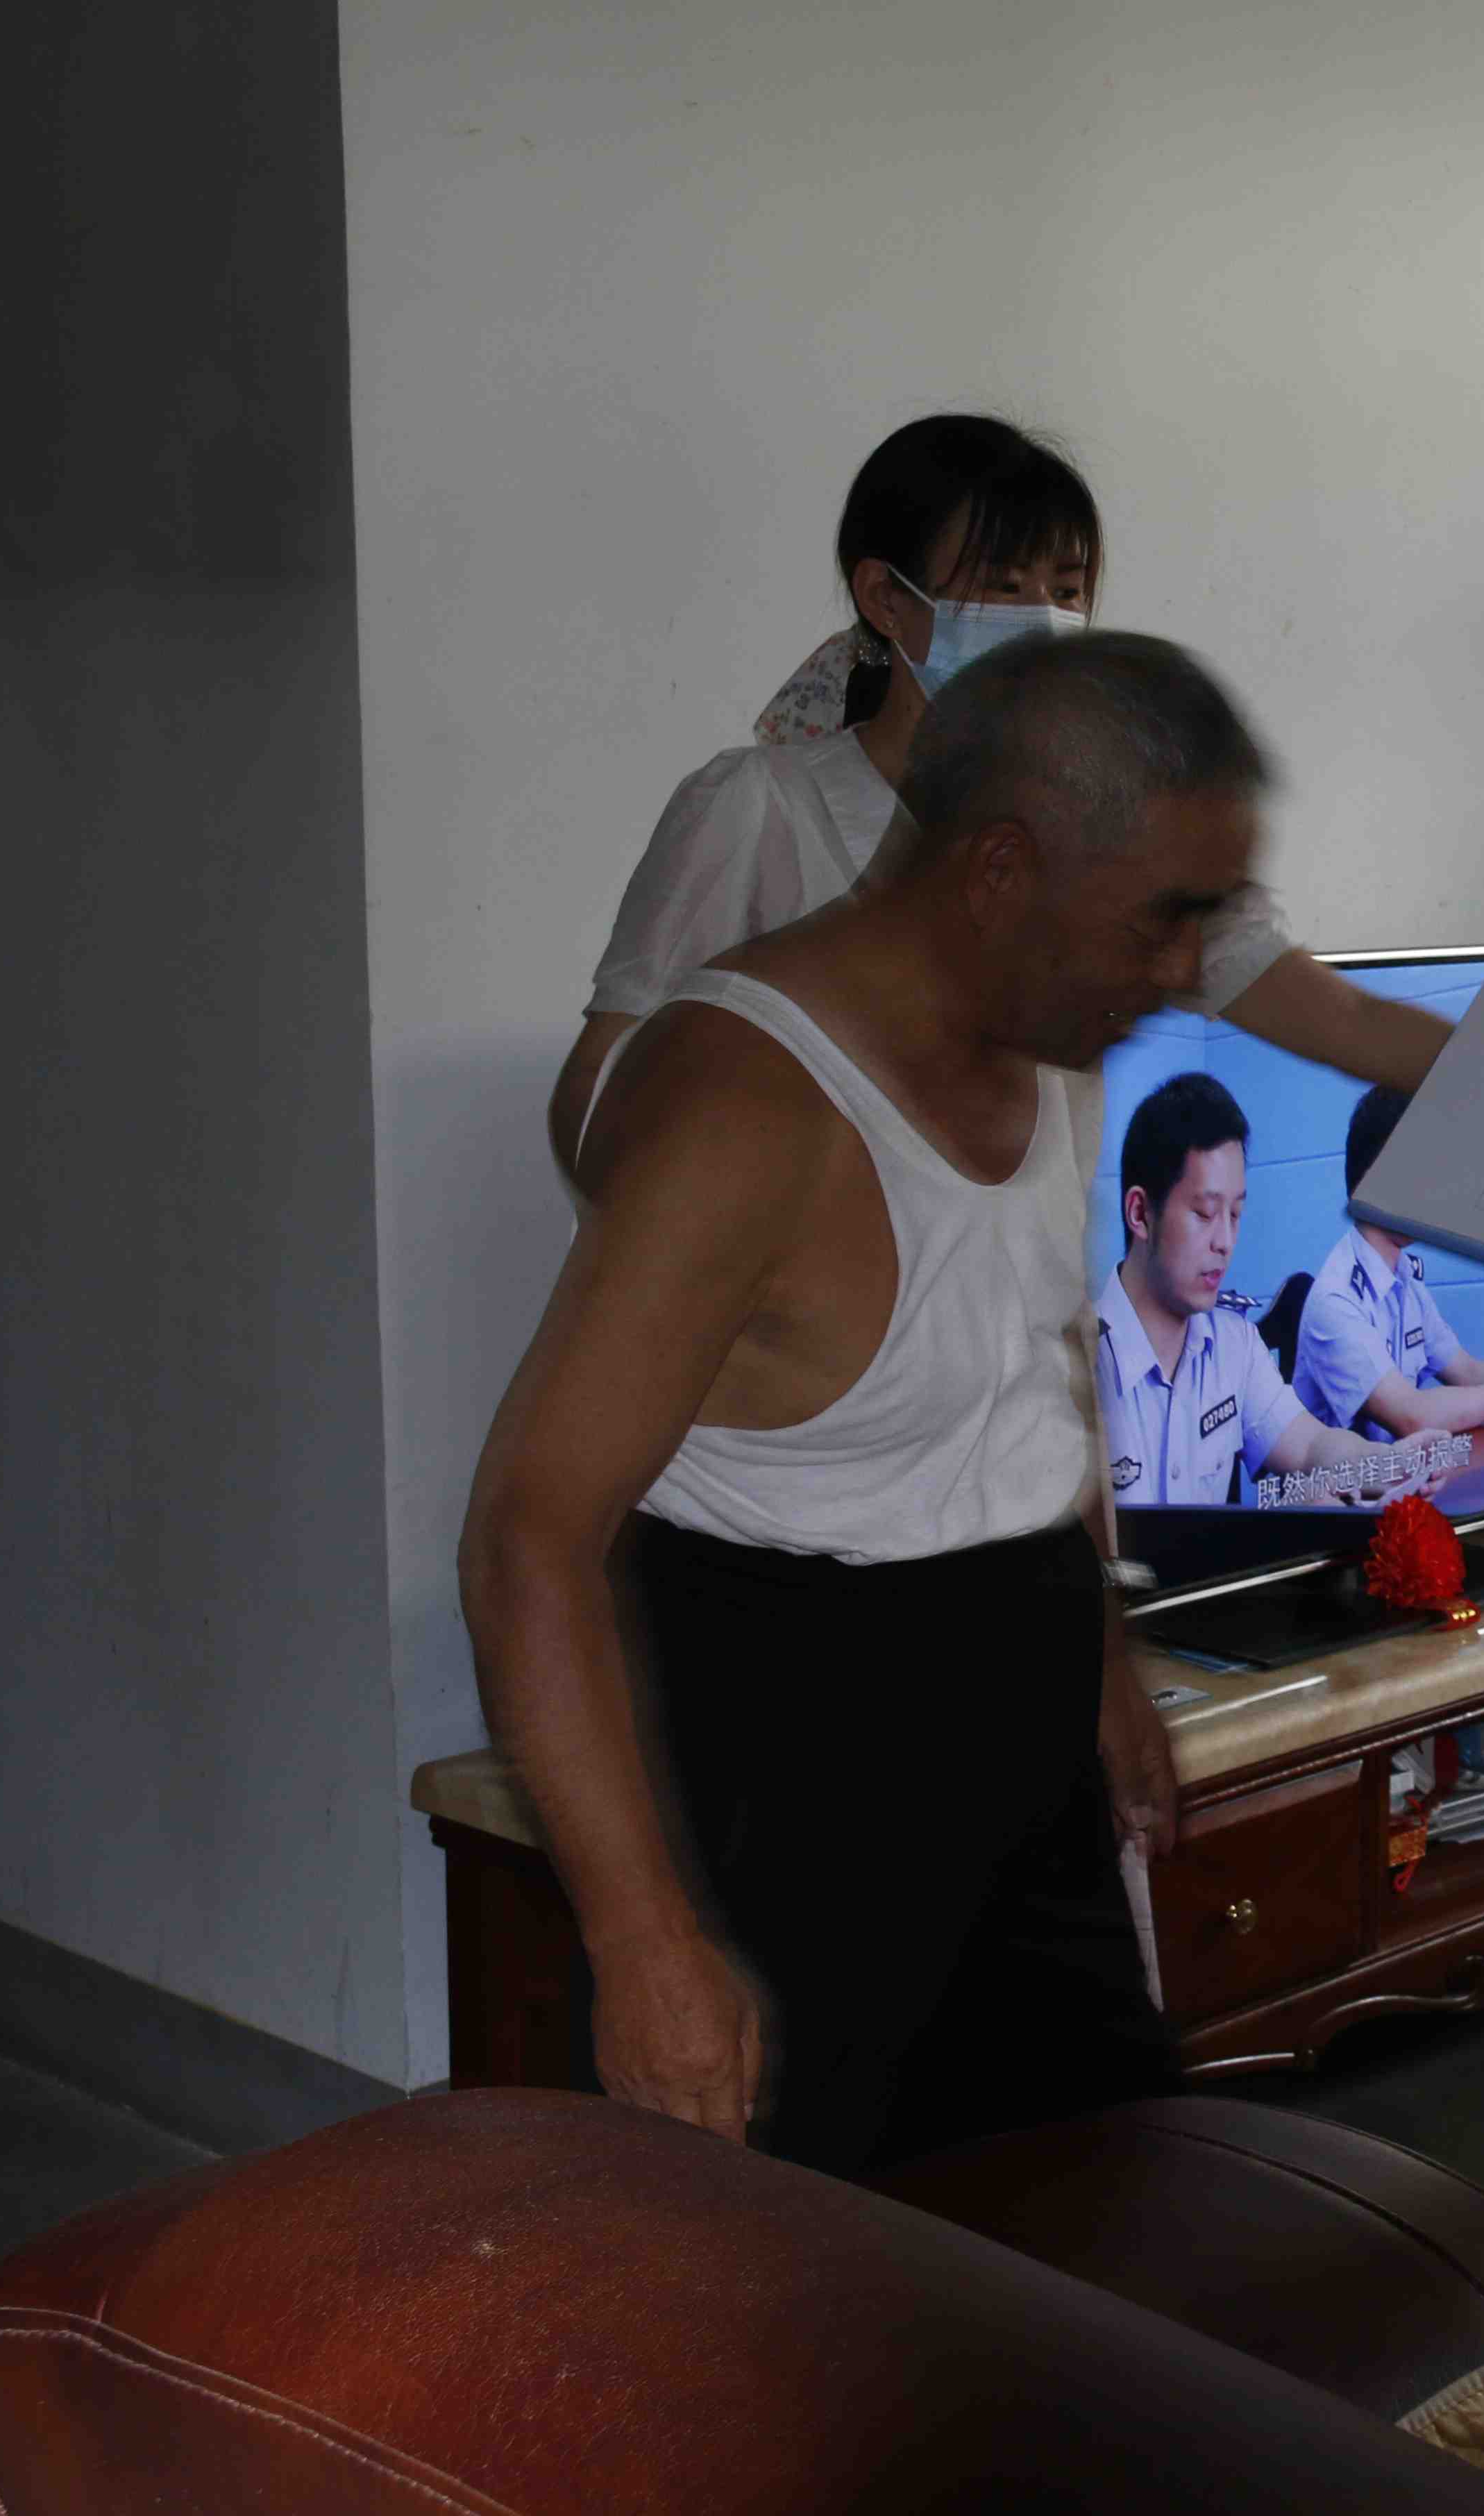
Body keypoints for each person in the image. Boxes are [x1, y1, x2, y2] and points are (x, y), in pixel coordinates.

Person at [464, 632, 1272, 2176]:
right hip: (789, 1747)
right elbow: (526, 1538)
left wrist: (1095, 1647)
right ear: (1003, 872)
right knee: (814, 2275)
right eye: (1161, 919)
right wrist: (643, 1945)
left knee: (1097, 2207)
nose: (1183, 973)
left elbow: (1032, 1361)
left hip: (1016, 1695)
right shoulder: (745, 1102)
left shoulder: (1050, 1042)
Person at [547, 412, 1484, 1182]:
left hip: (1022, 1416)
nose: (1044, 617)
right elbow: (594, 1101)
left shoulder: (1116, 838)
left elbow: (1344, 1020)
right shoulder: (758, 809)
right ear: (884, 597)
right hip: (799, 1418)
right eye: (1001, 583)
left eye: (1068, 587)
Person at [1096, 1071, 1408, 1509]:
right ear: (1140, 1213)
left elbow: (1311, 1447)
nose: (1225, 1242)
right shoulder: (1071, 1368)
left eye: (1236, 1215)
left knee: (1317, 1500)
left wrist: (1393, 1462)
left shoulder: (1235, 1346)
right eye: (1205, 1214)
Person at [1293, 1087, 1484, 1441]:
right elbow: (1412, 1416)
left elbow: (1466, 1371)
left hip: (1403, 1467)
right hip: (1353, 1478)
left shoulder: (1403, 1275)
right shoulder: (1336, 1302)